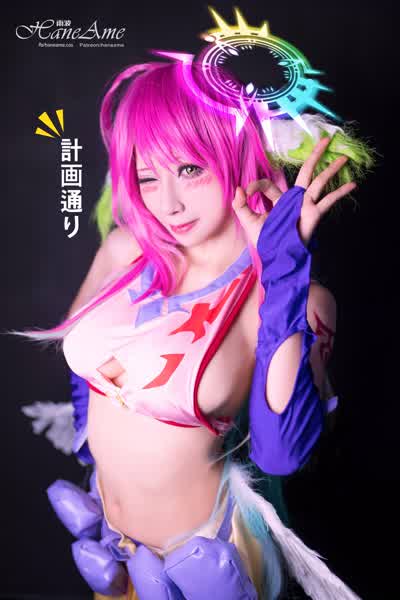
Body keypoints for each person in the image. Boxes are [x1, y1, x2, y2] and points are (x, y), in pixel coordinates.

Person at [12, 61, 375, 599]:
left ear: (238, 155)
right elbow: (84, 369)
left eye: (189, 169)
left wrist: (282, 272)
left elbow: (282, 454)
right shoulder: (124, 249)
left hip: (214, 564)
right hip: (115, 549)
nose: (168, 204)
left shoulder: (293, 296)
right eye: (147, 177)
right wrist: (101, 456)